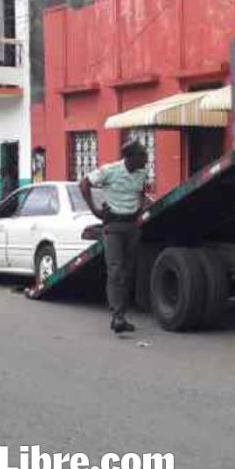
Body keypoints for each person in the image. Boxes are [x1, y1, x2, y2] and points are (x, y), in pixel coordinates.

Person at [80, 140, 150, 333]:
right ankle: (117, 316)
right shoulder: (110, 171)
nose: (146, 159)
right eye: (143, 155)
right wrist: (95, 210)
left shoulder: (142, 173)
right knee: (116, 269)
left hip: (132, 226)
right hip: (113, 226)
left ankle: (121, 315)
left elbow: (142, 192)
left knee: (127, 272)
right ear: (131, 157)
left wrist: (142, 207)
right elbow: (84, 184)